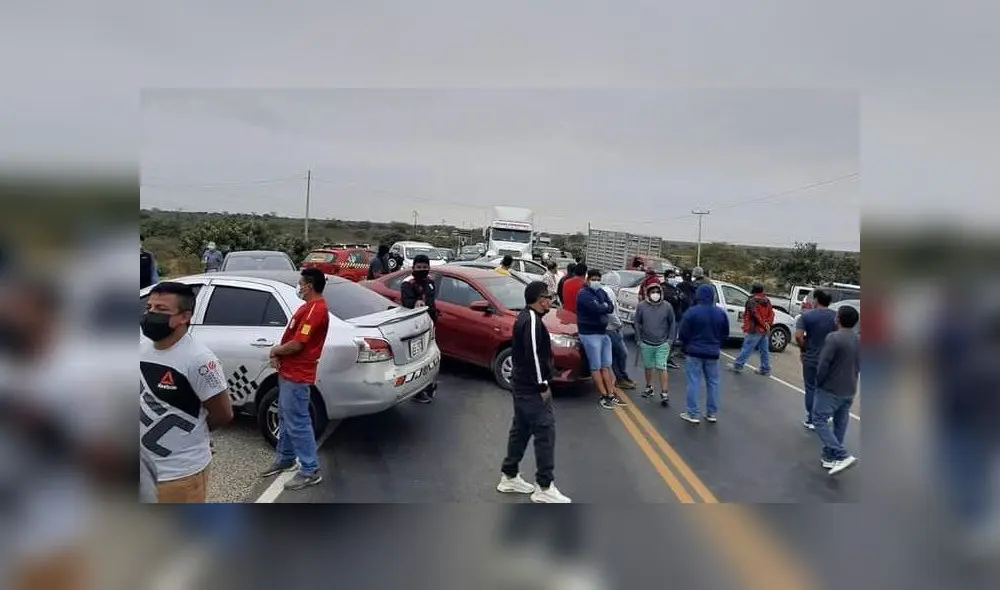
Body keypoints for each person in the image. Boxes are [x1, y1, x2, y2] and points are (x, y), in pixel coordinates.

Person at [141, 281, 234, 502]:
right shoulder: (141, 346)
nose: (151, 314)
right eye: (149, 308)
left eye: (161, 309)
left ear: (184, 317)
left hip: (178, 476)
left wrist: (198, 435)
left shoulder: (199, 360)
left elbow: (223, 414)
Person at [497, 281, 571, 503]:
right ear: (540, 300)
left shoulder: (529, 318)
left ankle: (509, 475)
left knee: (521, 429)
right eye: (548, 297)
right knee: (545, 431)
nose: (551, 301)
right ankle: (544, 486)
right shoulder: (530, 320)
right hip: (530, 387)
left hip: (522, 385)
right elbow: (534, 356)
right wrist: (542, 385)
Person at [261, 268, 330, 491]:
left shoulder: (316, 310)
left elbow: (299, 344)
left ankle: (310, 470)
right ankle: (286, 458)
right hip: (288, 372)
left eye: (300, 284)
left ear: (308, 286)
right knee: (285, 416)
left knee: (298, 422)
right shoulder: (307, 307)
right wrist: (279, 355)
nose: (298, 287)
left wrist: (275, 350)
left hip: (297, 375)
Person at [812, 305, 860, 475]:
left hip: (831, 388)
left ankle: (842, 455)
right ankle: (829, 457)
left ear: (838, 319)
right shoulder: (859, 340)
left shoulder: (834, 338)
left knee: (818, 419)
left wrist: (818, 382)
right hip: (850, 388)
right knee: (840, 423)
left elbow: (824, 363)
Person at [677, 284, 729, 424]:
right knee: (713, 383)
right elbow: (725, 333)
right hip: (713, 352)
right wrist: (717, 344)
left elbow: (683, 333)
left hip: (694, 351)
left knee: (694, 381)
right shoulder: (720, 313)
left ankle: (693, 413)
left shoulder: (692, 312)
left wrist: (687, 345)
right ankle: (711, 413)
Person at [576, 269, 626, 409]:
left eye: (598, 279)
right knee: (596, 366)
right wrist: (602, 306)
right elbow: (595, 309)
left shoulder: (601, 292)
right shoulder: (583, 294)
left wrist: (602, 306)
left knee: (606, 365)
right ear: (587, 280)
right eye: (593, 279)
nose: (596, 282)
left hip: (603, 333)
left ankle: (610, 394)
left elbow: (610, 307)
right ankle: (604, 395)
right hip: (589, 334)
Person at [794, 289, 837, 430]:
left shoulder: (806, 316)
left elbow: (798, 336)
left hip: (811, 358)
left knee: (811, 388)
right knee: (825, 389)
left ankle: (812, 419)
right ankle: (825, 415)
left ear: (817, 300)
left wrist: (803, 349)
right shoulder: (836, 317)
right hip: (830, 360)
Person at [400, 254, 439, 403]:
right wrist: (415, 303)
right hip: (415, 328)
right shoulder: (408, 283)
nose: (422, 269)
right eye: (419, 267)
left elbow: (431, 301)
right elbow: (407, 302)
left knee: (430, 357)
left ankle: (427, 386)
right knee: (419, 360)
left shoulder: (430, 282)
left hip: (429, 324)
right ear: (413, 268)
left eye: (425, 267)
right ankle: (418, 391)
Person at [632, 282, 675, 406]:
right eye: (652, 292)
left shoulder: (667, 306)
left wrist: (670, 340)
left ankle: (664, 393)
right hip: (646, 342)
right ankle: (649, 387)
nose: (655, 294)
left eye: (657, 292)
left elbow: (672, 323)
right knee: (648, 366)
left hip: (662, 343)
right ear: (648, 293)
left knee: (662, 366)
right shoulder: (641, 306)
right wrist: (638, 339)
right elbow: (637, 322)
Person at [728, 284, 775, 376]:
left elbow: (754, 315)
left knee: (747, 348)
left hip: (754, 328)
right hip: (764, 330)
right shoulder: (767, 301)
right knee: (764, 350)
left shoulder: (752, 301)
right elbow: (771, 314)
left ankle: (738, 365)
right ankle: (765, 368)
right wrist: (767, 324)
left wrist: (760, 325)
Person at [600, 279, 636, 389]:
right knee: (621, 353)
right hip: (611, 328)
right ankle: (621, 377)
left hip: (608, 327)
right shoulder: (608, 292)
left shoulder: (605, 290)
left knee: (615, 355)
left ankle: (622, 377)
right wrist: (618, 324)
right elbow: (611, 313)